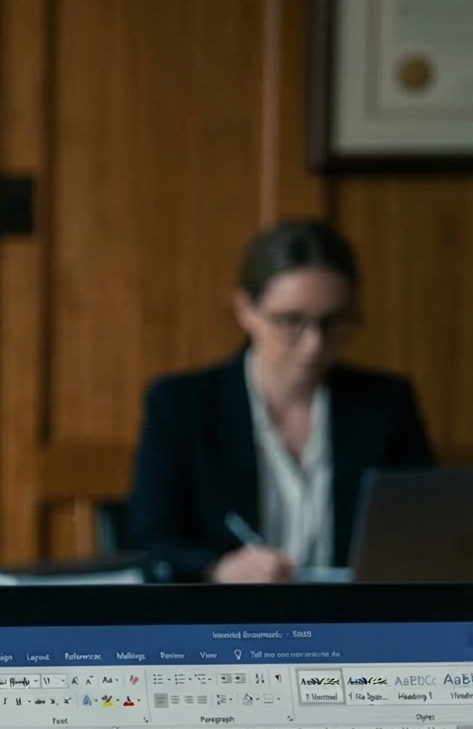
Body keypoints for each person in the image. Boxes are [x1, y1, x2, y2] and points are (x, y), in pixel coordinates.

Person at [128, 219, 433, 583]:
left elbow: (426, 532)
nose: (314, 344)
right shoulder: (182, 405)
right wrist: (218, 567)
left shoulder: (387, 405)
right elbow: (151, 539)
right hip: (230, 621)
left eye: (333, 321)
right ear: (246, 310)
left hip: (354, 622)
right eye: (291, 320)